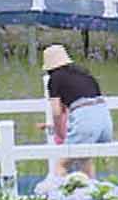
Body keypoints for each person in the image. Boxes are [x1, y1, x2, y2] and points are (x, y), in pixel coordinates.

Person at [42, 45, 110, 178]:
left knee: (61, 164)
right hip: (104, 118)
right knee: (85, 159)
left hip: (85, 119)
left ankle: (59, 195)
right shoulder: (84, 73)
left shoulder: (55, 78)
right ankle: (92, 193)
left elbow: (56, 112)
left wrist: (59, 132)